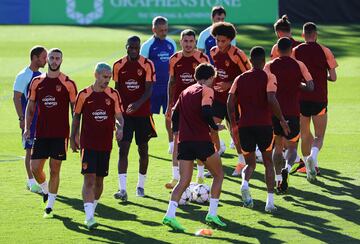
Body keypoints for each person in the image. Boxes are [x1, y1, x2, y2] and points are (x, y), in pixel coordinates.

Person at [163, 63, 226, 231]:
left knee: (184, 181)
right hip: (201, 141)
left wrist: (177, 133)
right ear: (211, 77)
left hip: (184, 142)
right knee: (219, 174)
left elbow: (175, 115)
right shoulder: (207, 90)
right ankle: (212, 214)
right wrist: (214, 127)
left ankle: (170, 215)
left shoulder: (185, 92)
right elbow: (206, 111)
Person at [227, 46, 290, 212]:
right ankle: (270, 203)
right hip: (264, 126)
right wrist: (282, 119)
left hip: (245, 126)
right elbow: (271, 98)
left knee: (250, 164)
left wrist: (234, 123)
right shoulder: (269, 76)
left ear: (249, 60)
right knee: (268, 163)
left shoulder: (240, 78)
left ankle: (244, 184)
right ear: (263, 61)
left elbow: (229, 101)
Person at [70, 62, 124, 230]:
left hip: (105, 144)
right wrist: (73, 137)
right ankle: (89, 217)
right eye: (104, 77)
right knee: (89, 178)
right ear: (96, 75)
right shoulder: (84, 94)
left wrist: (120, 127)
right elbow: (76, 117)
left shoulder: (113, 94)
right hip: (88, 144)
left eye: (109, 77)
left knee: (100, 181)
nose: (107, 80)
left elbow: (119, 117)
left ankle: (92, 210)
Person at [24, 48, 77, 218]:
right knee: (35, 168)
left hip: (60, 134)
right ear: (47, 60)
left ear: (61, 61)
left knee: (55, 169)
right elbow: (30, 107)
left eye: (57, 58)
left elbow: (75, 111)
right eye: (52, 58)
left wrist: (75, 134)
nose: (54, 61)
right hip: (41, 133)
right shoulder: (37, 82)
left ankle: (50, 206)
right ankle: (46, 190)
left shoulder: (68, 83)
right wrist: (26, 128)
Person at [264, 37, 314, 193]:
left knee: (278, 147)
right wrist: (298, 84)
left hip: (274, 112)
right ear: (292, 50)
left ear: (277, 50)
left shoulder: (269, 65)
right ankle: (288, 167)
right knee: (292, 147)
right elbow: (311, 87)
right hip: (293, 111)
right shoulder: (299, 65)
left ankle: (279, 179)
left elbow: (264, 87)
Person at [164, 29, 210, 189]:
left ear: (195, 43)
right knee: (177, 139)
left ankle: (200, 175)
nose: (188, 44)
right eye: (185, 41)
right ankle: (175, 176)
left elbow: (209, 81)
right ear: (181, 41)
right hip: (179, 104)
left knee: (200, 138)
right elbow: (172, 81)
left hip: (198, 106)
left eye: (191, 41)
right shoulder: (174, 59)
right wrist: (170, 105)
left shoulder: (202, 58)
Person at [113, 36, 156, 201]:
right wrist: (117, 113)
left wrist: (137, 104)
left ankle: (140, 185)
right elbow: (116, 90)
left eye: (136, 48)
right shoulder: (118, 65)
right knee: (123, 149)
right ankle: (122, 189)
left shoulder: (147, 64)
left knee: (143, 149)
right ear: (126, 47)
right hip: (124, 115)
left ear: (140, 48)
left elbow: (149, 89)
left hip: (143, 115)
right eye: (130, 47)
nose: (133, 50)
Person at [293, 22, 338, 181]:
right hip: (319, 98)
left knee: (305, 133)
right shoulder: (325, 50)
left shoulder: (295, 51)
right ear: (316, 34)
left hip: (301, 99)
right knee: (319, 136)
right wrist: (321, 76)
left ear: (303, 35)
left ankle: (307, 166)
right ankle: (314, 156)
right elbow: (333, 77)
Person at [210, 22, 251, 176]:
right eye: (217, 40)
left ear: (230, 40)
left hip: (235, 99)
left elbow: (248, 74)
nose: (219, 44)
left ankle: (242, 162)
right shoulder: (213, 52)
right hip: (218, 98)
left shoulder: (237, 54)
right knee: (211, 128)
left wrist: (229, 83)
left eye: (223, 41)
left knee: (235, 133)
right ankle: (215, 163)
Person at [197, 5, 236, 153]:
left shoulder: (230, 36)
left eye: (222, 18)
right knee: (210, 117)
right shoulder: (204, 35)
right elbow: (200, 57)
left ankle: (239, 147)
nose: (220, 21)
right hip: (210, 81)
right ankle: (217, 148)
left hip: (226, 81)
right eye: (217, 18)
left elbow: (233, 58)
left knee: (230, 116)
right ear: (212, 18)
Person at [13, 45, 47, 193]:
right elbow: (16, 98)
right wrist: (21, 118)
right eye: (43, 57)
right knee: (29, 150)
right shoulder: (23, 75)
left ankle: (37, 179)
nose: (46, 60)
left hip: (41, 121)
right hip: (29, 120)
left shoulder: (42, 75)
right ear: (35, 58)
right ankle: (31, 181)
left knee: (39, 151)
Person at [140, 16, 176, 154]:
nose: (164, 33)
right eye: (161, 30)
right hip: (153, 88)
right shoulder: (147, 46)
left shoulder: (171, 43)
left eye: (166, 29)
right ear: (153, 29)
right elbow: (142, 68)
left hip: (168, 86)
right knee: (147, 115)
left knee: (170, 115)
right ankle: (144, 141)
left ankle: (172, 143)